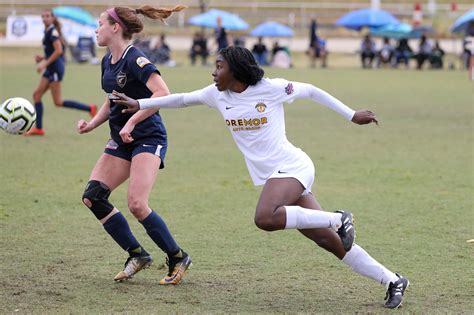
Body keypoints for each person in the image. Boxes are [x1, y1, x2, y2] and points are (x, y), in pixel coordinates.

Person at [113, 46, 410, 309]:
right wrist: (140, 104)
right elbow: (179, 100)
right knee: (329, 241)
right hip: (276, 175)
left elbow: (312, 90)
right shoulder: (215, 95)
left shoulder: (271, 88)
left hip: (293, 166)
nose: (214, 71)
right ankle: (393, 280)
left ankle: (338, 218)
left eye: (219, 66)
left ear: (236, 70)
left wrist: (351, 114)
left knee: (265, 217)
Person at [76, 4, 192, 285]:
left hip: (148, 137)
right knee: (93, 196)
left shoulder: (135, 58)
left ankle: (178, 257)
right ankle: (136, 253)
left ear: (115, 27)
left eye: (100, 23)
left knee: (137, 204)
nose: (96, 29)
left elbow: (162, 93)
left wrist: (131, 122)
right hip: (121, 139)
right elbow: (111, 98)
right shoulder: (107, 60)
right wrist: (93, 123)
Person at [27, 9, 97, 136]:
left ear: (53, 18)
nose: (44, 18)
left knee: (58, 102)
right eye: (43, 16)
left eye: (47, 16)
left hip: (54, 69)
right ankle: (39, 128)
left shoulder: (52, 31)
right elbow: (55, 51)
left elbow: (58, 51)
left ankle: (90, 108)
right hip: (51, 68)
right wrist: (43, 58)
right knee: (36, 95)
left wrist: (44, 63)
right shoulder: (50, 30)